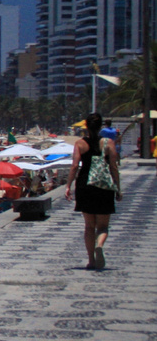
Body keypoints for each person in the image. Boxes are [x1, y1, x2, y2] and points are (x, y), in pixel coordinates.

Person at [66, 111, 122, 270]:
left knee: (89, 226)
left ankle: (91, 260)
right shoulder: (108, 143)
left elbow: (75, 166)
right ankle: (100, 244)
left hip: (85, 186)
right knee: (103, 227)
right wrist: (117, 188)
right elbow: (113, 167)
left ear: (86, 126)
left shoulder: (80, 144)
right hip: (103, 186)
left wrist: (68, 186)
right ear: (101, 126)